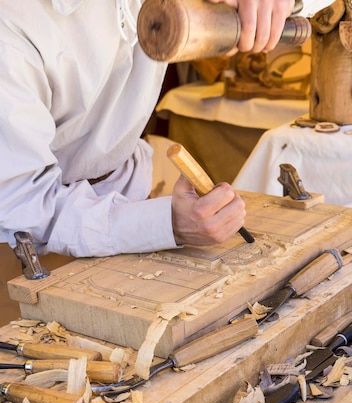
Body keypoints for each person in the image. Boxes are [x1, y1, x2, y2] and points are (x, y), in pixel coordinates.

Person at [0, 0, 297, 261]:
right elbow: (22, 208)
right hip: (29, 250)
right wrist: (166, 224)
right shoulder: (12, 23)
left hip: (126, 200)